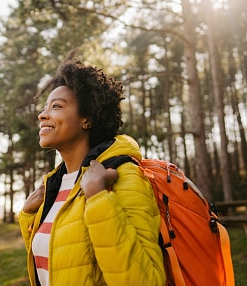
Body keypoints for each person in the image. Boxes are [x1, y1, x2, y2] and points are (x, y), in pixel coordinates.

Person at [18, 50, 165, 286]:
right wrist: (27, 217)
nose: (42, 115)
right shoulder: (52, 187)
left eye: (56, 106)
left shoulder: (121, 175)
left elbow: (145, 280)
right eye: (45, 107)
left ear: (86, 118)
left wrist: (98, 198)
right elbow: (60, 263)